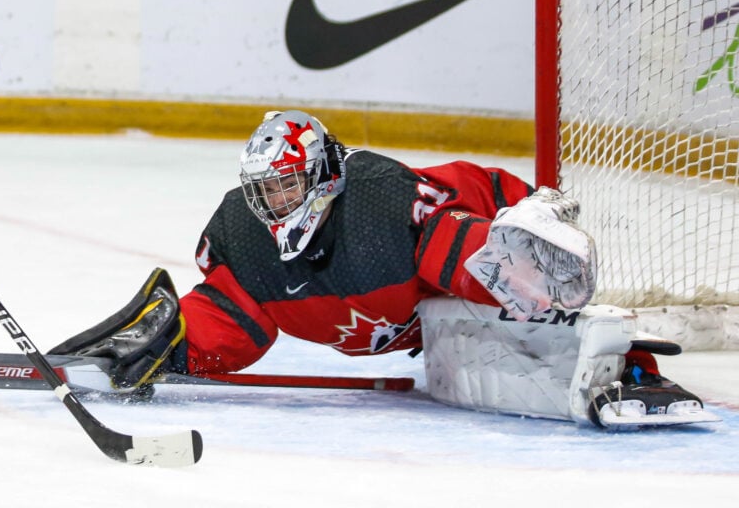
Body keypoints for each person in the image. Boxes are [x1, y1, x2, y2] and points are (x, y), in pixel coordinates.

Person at [53, 110, 716, 429]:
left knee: (495, 283)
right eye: (266, 189)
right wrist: (170, 342)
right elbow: (236, 319)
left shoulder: (384, 211)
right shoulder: (245, 241)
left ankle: (631, 371)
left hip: (496, 211)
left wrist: (544, 288)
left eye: (288, 185)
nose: (274, 202)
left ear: (323, 177)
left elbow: (461, 247)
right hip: (422, 314)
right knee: (456, 313)